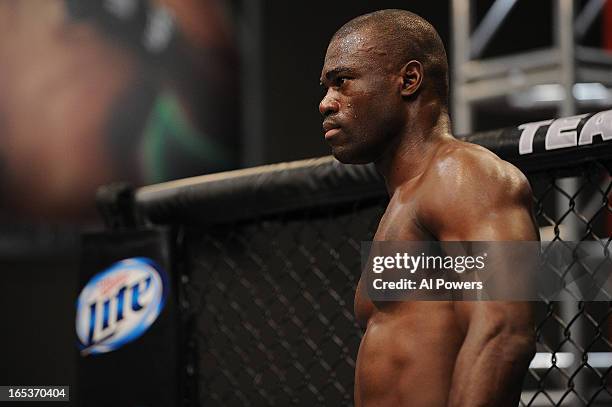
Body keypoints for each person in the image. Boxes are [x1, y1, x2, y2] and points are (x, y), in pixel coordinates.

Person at [319, 9, 539, 407]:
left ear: (408, 80)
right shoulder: (406, 198)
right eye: (326, 87)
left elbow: (505, 330)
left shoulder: (463, 174)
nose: (326, 103)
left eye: (342, 82)